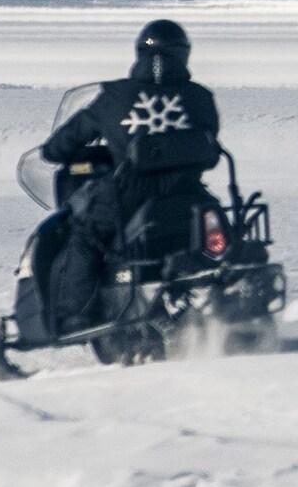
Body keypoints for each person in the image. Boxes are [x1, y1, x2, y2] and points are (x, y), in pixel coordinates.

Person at [42, 19, 222, 332]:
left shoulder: (115, 96)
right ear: (184, 55)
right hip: (189, 194)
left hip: (128, 196)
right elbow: (210, 140)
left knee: (82, 232)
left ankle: (75, 314)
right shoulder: (199, 97)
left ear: (139, 52)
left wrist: (57, 150)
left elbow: (64, 143)